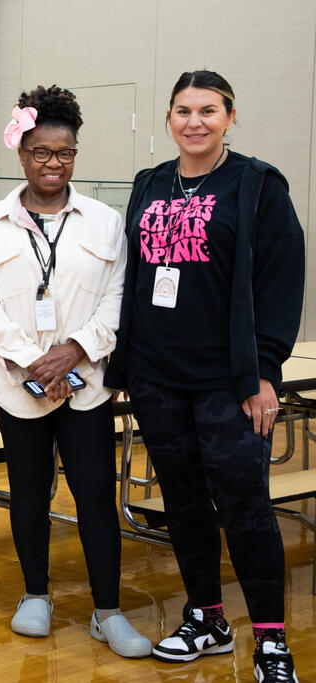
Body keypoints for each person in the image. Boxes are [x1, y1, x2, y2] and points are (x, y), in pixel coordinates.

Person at [105, 70, 304, 681]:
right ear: (169, 118)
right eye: (183, 111)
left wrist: (264, 371)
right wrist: (127, 364)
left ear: (230, 117)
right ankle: (207, 619)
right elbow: (134, 278)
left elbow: (281, 281)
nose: (195, 122)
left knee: (245, 507)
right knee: (184, 503)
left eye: (208, 110)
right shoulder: (149, 183)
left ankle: (270, 640)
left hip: (229, 380)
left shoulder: (257, 184)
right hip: (157, 377)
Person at [0, 85, 153, 658]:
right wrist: (32, 360)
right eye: (42, 152)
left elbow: (119, 297)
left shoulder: (103, 222)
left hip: (86, 383)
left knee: (94, 493)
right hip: (16, 384)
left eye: (65, 152)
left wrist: (74, 350)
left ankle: (107, 610)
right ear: (22, 153)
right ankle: (35, 595)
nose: (54, 163)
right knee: (28, 490)